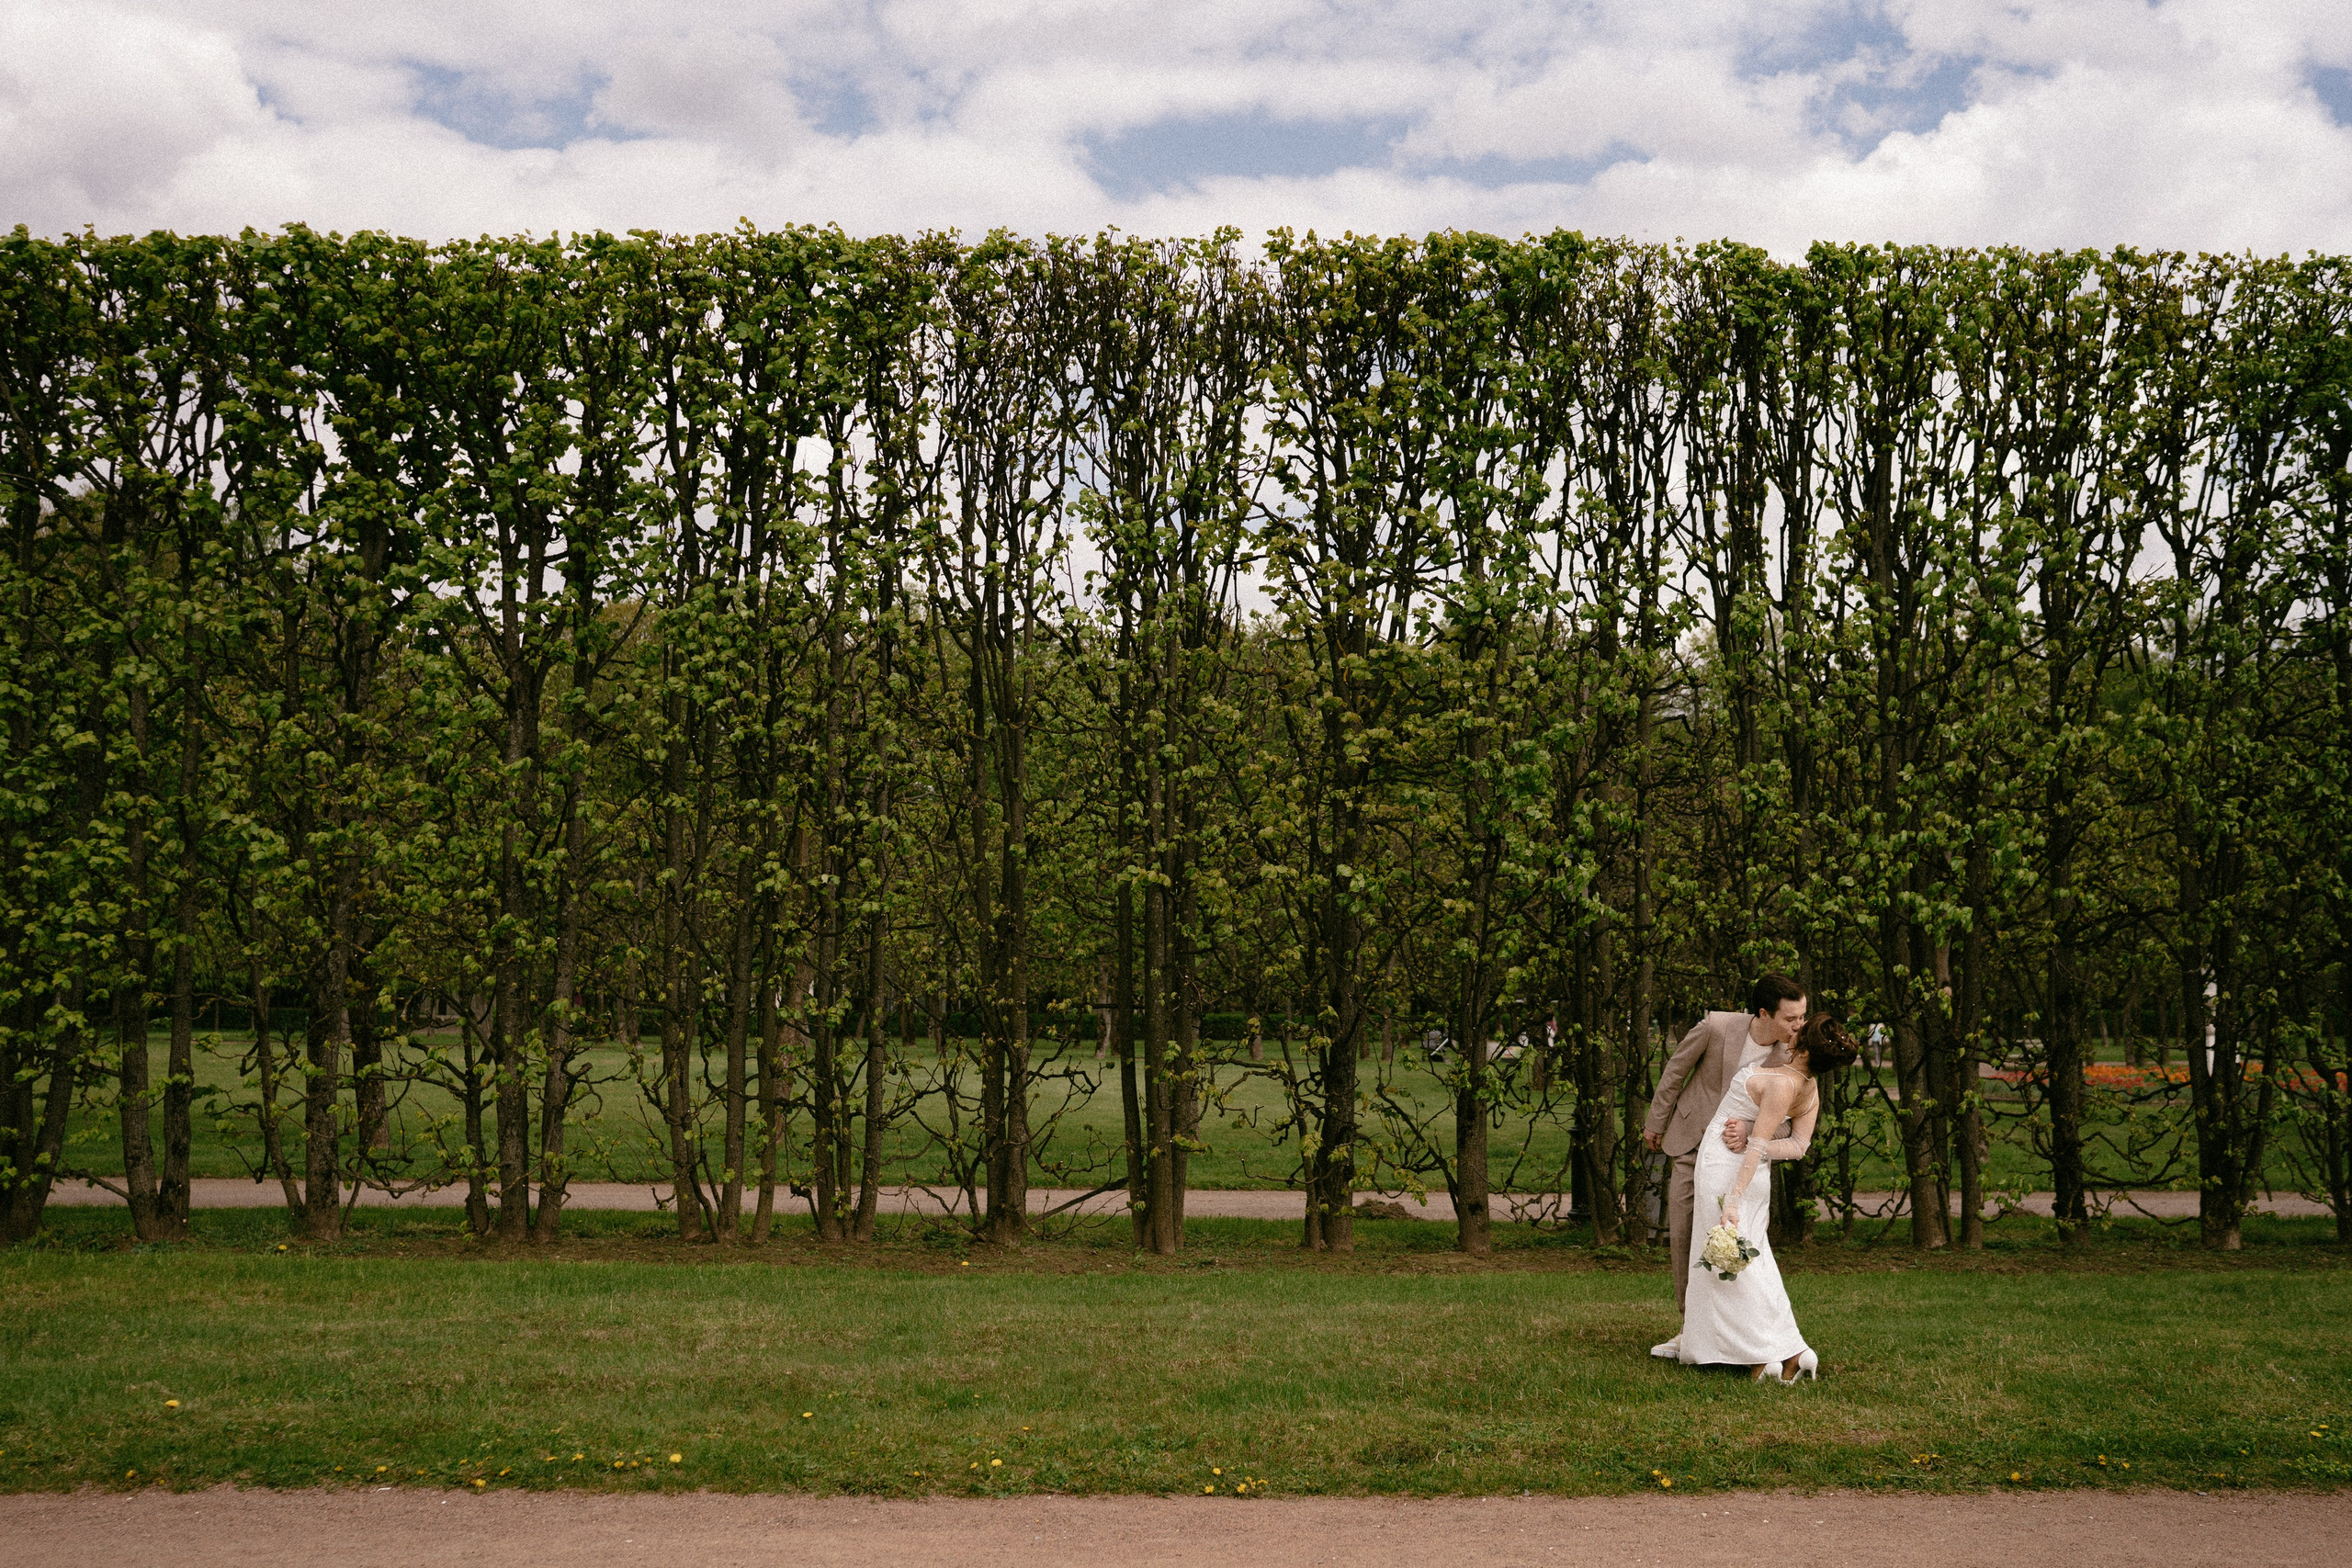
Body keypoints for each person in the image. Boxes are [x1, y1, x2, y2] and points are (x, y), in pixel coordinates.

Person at [1676, 1015, 1860, 1381]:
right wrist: (1752, 1144)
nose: (1794, 1029)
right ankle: (1792, 1350)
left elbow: (1759, 1145)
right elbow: (1796, 1145)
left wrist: (1732, 1198)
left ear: (1804, 1047)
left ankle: (1764, 1355)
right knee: (1751, 1260)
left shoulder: (1781, 1083)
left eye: (1800, 1029)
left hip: (1730, 1171)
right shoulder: (1809, 1087)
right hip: (1750, 1171)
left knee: (1734, 1262)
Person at [1642, 975, 1807, 1359]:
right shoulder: (1717, 1026)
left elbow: (1790, 1119)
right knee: (1683, 1236)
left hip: (1738, 1160)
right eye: (1791, 1018)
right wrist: (1656, 1121)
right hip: (1690, 1142)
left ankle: (1740, 1334)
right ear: (1764, 1014)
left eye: (1802, 1017)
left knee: (1735, 1244)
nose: (1799, 1026)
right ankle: (1690, 1330)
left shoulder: (1794, 1057)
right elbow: (1675, 1073)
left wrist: (1751, 1128)